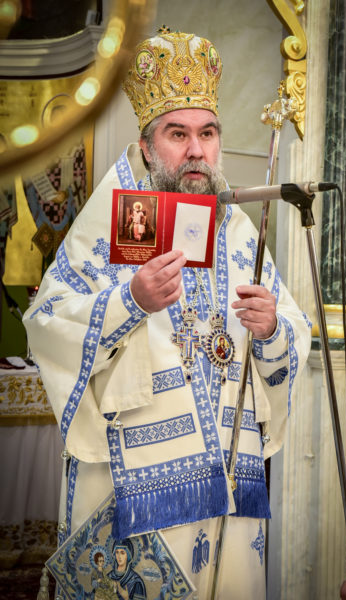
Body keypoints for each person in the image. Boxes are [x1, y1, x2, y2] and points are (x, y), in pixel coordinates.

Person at [23, 27, 311, 599]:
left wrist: (272, 329)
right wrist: (130, 301)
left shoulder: (238, 228)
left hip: (228, 478)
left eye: (207, 133)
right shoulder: (111, 220)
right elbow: (48, 321)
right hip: (136, 492)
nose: (196, 150)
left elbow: (293, 331)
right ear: (148, 143)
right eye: (178, 134)